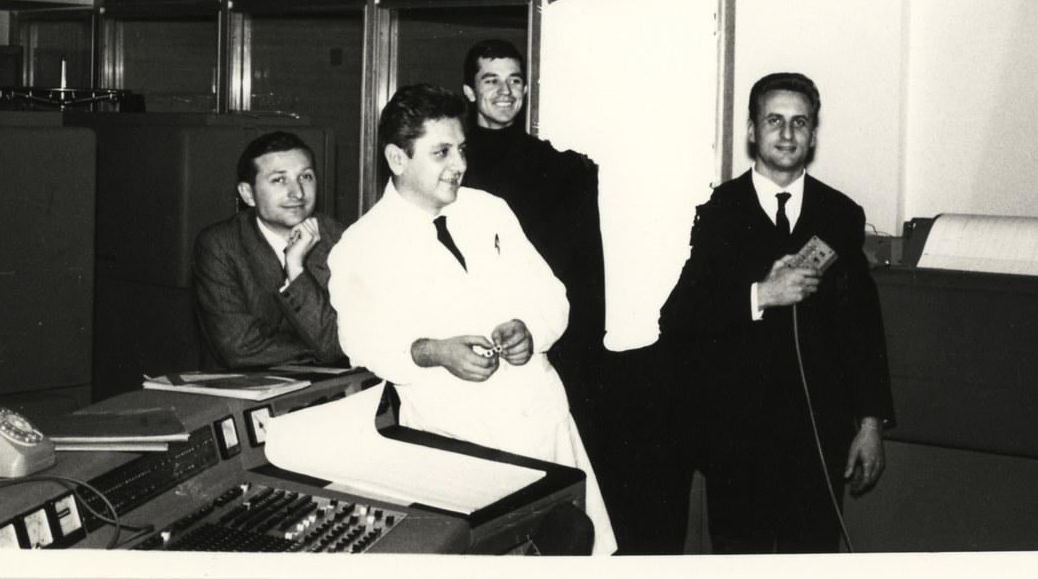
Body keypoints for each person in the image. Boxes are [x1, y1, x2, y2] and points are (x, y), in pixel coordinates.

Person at [328, 84, 616, 554]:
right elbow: (359, 342)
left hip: (540, 421)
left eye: (461, 149)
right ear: (397, 159)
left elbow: (552, 295)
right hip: (459, 439)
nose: (458, 164)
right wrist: (432, 352)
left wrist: (530, 330)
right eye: (441, 152)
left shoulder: (490, 210)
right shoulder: (361, 246)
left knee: (569, 551)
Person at [658, 72, 895, 554]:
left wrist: (871, 424)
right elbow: (678, 316)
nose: (787, 134)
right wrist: (761, 294)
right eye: (774, 121)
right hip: (737, 440)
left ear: (813, 134)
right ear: (752, 130)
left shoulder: (839, 214)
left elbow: (862, 328)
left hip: (818, 438)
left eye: (799, 122)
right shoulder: (719, 211)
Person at [458, 39, 607, 462]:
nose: (505, 91)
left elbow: (579, 272)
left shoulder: (560, 169)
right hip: (469, 345)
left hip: (543, 340)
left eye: (514, 80)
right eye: (491, 80)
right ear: (469, 91)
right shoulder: (450, 166)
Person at [193, 131, 347, 369]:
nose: (297, 192)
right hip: (243, 385)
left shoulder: (339, 239)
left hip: (330, 385)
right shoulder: (220, 245)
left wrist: (296, 268)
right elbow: (238, 348)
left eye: (305, 177)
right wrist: (330, 346)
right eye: (279, 180)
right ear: (248, 194)